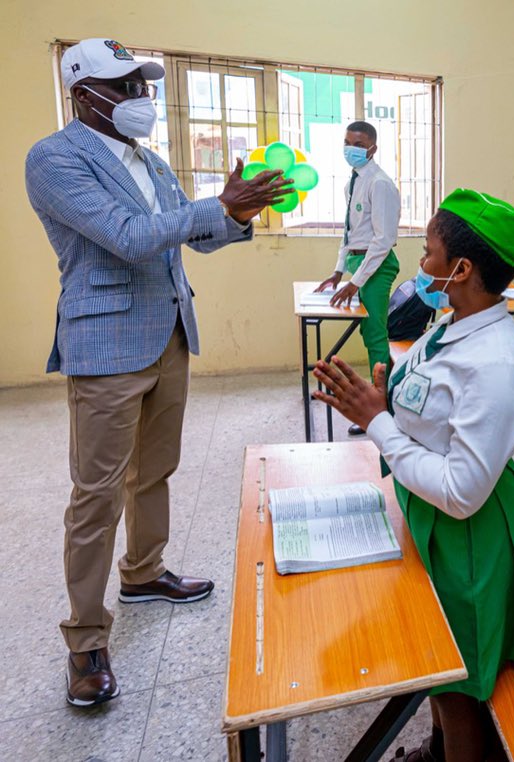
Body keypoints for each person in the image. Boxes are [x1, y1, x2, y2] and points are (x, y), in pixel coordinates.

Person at [24, 38, 289, 707]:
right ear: (85, 94)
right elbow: (129, 235)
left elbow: (192, 236)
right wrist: (213, 208)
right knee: (97, 494)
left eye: (143, 84)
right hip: (106, 344)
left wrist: (235, 217)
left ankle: (143, 572)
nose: (140, 97)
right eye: (126, 85)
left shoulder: (150, 160)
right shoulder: (55, 160)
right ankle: (85, 640)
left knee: (157, 470)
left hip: (170, 333)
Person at [312, 189, 514, 762]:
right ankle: (438, 746)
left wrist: (379, 424)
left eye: (428, 253)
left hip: (469, 537)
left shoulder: (496, 364)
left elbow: (461, 492)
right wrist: (386, 401)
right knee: (438, 661)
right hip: (429, 515)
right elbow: (430, 412)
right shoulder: (450, 323)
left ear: (462, 269)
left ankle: (459, 752)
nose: (421, 265)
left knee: (459, 676)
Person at [315, 120, 401, 435]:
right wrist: (340, 270)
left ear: (373, 148)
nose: (352, 149)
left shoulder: (379, 183)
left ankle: (385, 411)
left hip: (376, 265)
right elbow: (348, 232)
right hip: (358, 262)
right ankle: (378, 402)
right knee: (369, 335)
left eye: (360, 145)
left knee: (376, 336)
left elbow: (383, 240)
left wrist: (357, 281)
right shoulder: (352, 182)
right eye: (348, 142)